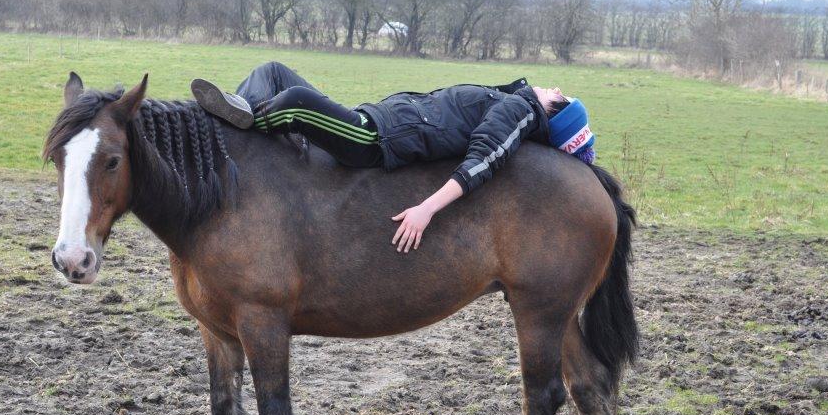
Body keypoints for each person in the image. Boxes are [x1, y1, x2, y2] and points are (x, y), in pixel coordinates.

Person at [191, 62, 596, 253]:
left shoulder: (520, 112)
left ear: (552, 114)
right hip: (372, 116)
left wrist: (427, 208)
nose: (555, 87)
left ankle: (239, 127)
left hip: (373, 138)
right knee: (274, 73)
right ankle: (242, 113)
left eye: (560, 97)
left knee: (293, 100)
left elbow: (482, 162)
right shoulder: (516, 101)